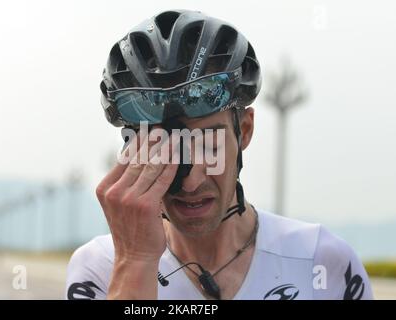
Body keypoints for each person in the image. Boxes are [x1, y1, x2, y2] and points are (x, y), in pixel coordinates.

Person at [66, 10, 373, 300]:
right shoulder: (102, 268)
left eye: (209, 144)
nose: (191, 182)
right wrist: (135, 262)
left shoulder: (322, 261)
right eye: (164, 149)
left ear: (246, 130)